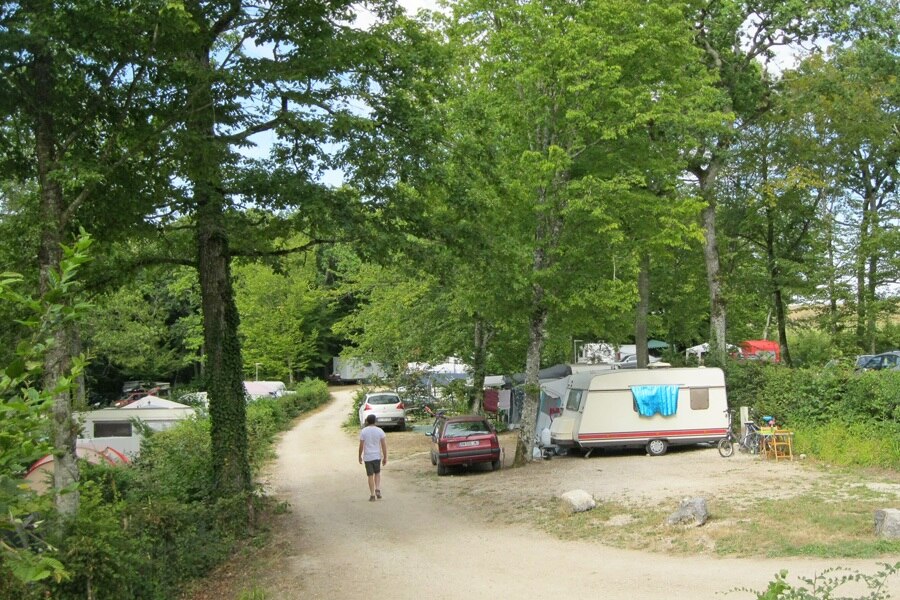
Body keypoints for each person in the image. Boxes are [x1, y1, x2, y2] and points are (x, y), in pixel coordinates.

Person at [358, 413, 387, 501]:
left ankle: (372, 494)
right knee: (377, 473)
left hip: (368, 457)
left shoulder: (364, 431)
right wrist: (385, 457)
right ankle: (377, 488)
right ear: (375, 421)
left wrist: (359, 456)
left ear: (367, 421)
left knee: (370, 475)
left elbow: (361, 445)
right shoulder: (380, 431)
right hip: (376, 456)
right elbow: (383, 445)